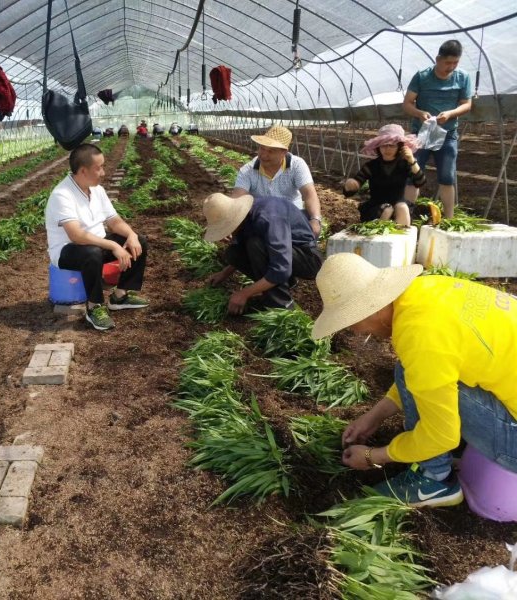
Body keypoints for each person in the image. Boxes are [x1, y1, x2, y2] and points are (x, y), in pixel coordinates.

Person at [311, 253, 517, 507]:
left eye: (352, 321)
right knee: (413, 371)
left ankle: (435, 480)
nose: (355, 331)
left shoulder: (420, 336)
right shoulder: (427, 291)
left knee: (416, 374)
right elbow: (423, 371)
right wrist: (374, 417)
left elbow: (442, 436)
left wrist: (374, 456)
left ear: (373, 307)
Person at [45, 143, 149, 331]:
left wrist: (131, 235)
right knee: (91, 253)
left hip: (95, 244)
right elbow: (76, 236)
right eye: (98, 168)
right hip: (67, 251)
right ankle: (94, 307)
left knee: (138, 241)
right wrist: (112, 245)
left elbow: (114, 221)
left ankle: (120, 296)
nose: (103, 172)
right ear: (83, 171)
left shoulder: (97, 190)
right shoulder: (62, 195)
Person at [203, 192, 323, 314]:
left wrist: (244, 294)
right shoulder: (247, 217)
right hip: (286, 255)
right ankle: (285, 284)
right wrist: (224, 273)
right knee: (233, 253)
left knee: (255, 244)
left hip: (308, 259)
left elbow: (281, 269)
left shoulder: (269, 217)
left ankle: (282, 307)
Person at [403, 39, 473, 219]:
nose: (451, 66)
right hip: (421, 134)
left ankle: (448, 219)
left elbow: (466, 104)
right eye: (447, 62)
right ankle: (405, 217)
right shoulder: (422, 76)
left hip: (448, 135)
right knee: (413, 175)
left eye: (455, 62)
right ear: (437, 59)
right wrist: (419, 113)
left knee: (447, 177)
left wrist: (450, 114)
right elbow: (407, 103)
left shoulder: (462, 77)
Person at [232, 125, 323, 238]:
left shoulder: (297, 165)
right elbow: (237, 199)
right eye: (262, 148)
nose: (264, 155)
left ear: (284, 152)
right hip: (262, 220)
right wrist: (230, 223)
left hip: (292, 218)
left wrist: (315, 220)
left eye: (271, 151)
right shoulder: (248, 171)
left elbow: (309, 195)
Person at [342, 124, 427, 226]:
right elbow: (355, 185)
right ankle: (379, 237)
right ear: (378, 146)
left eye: (392, 145)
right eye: (384, 145)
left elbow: (420, 182)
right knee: (387, 209)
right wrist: (351, 185)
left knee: (402, 207)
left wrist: (412, 161)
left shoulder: (404, 165)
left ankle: (402, 239)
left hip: (399, 204)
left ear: (399, 147)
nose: (387, 149)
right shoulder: (371, 166)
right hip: (376, 207)